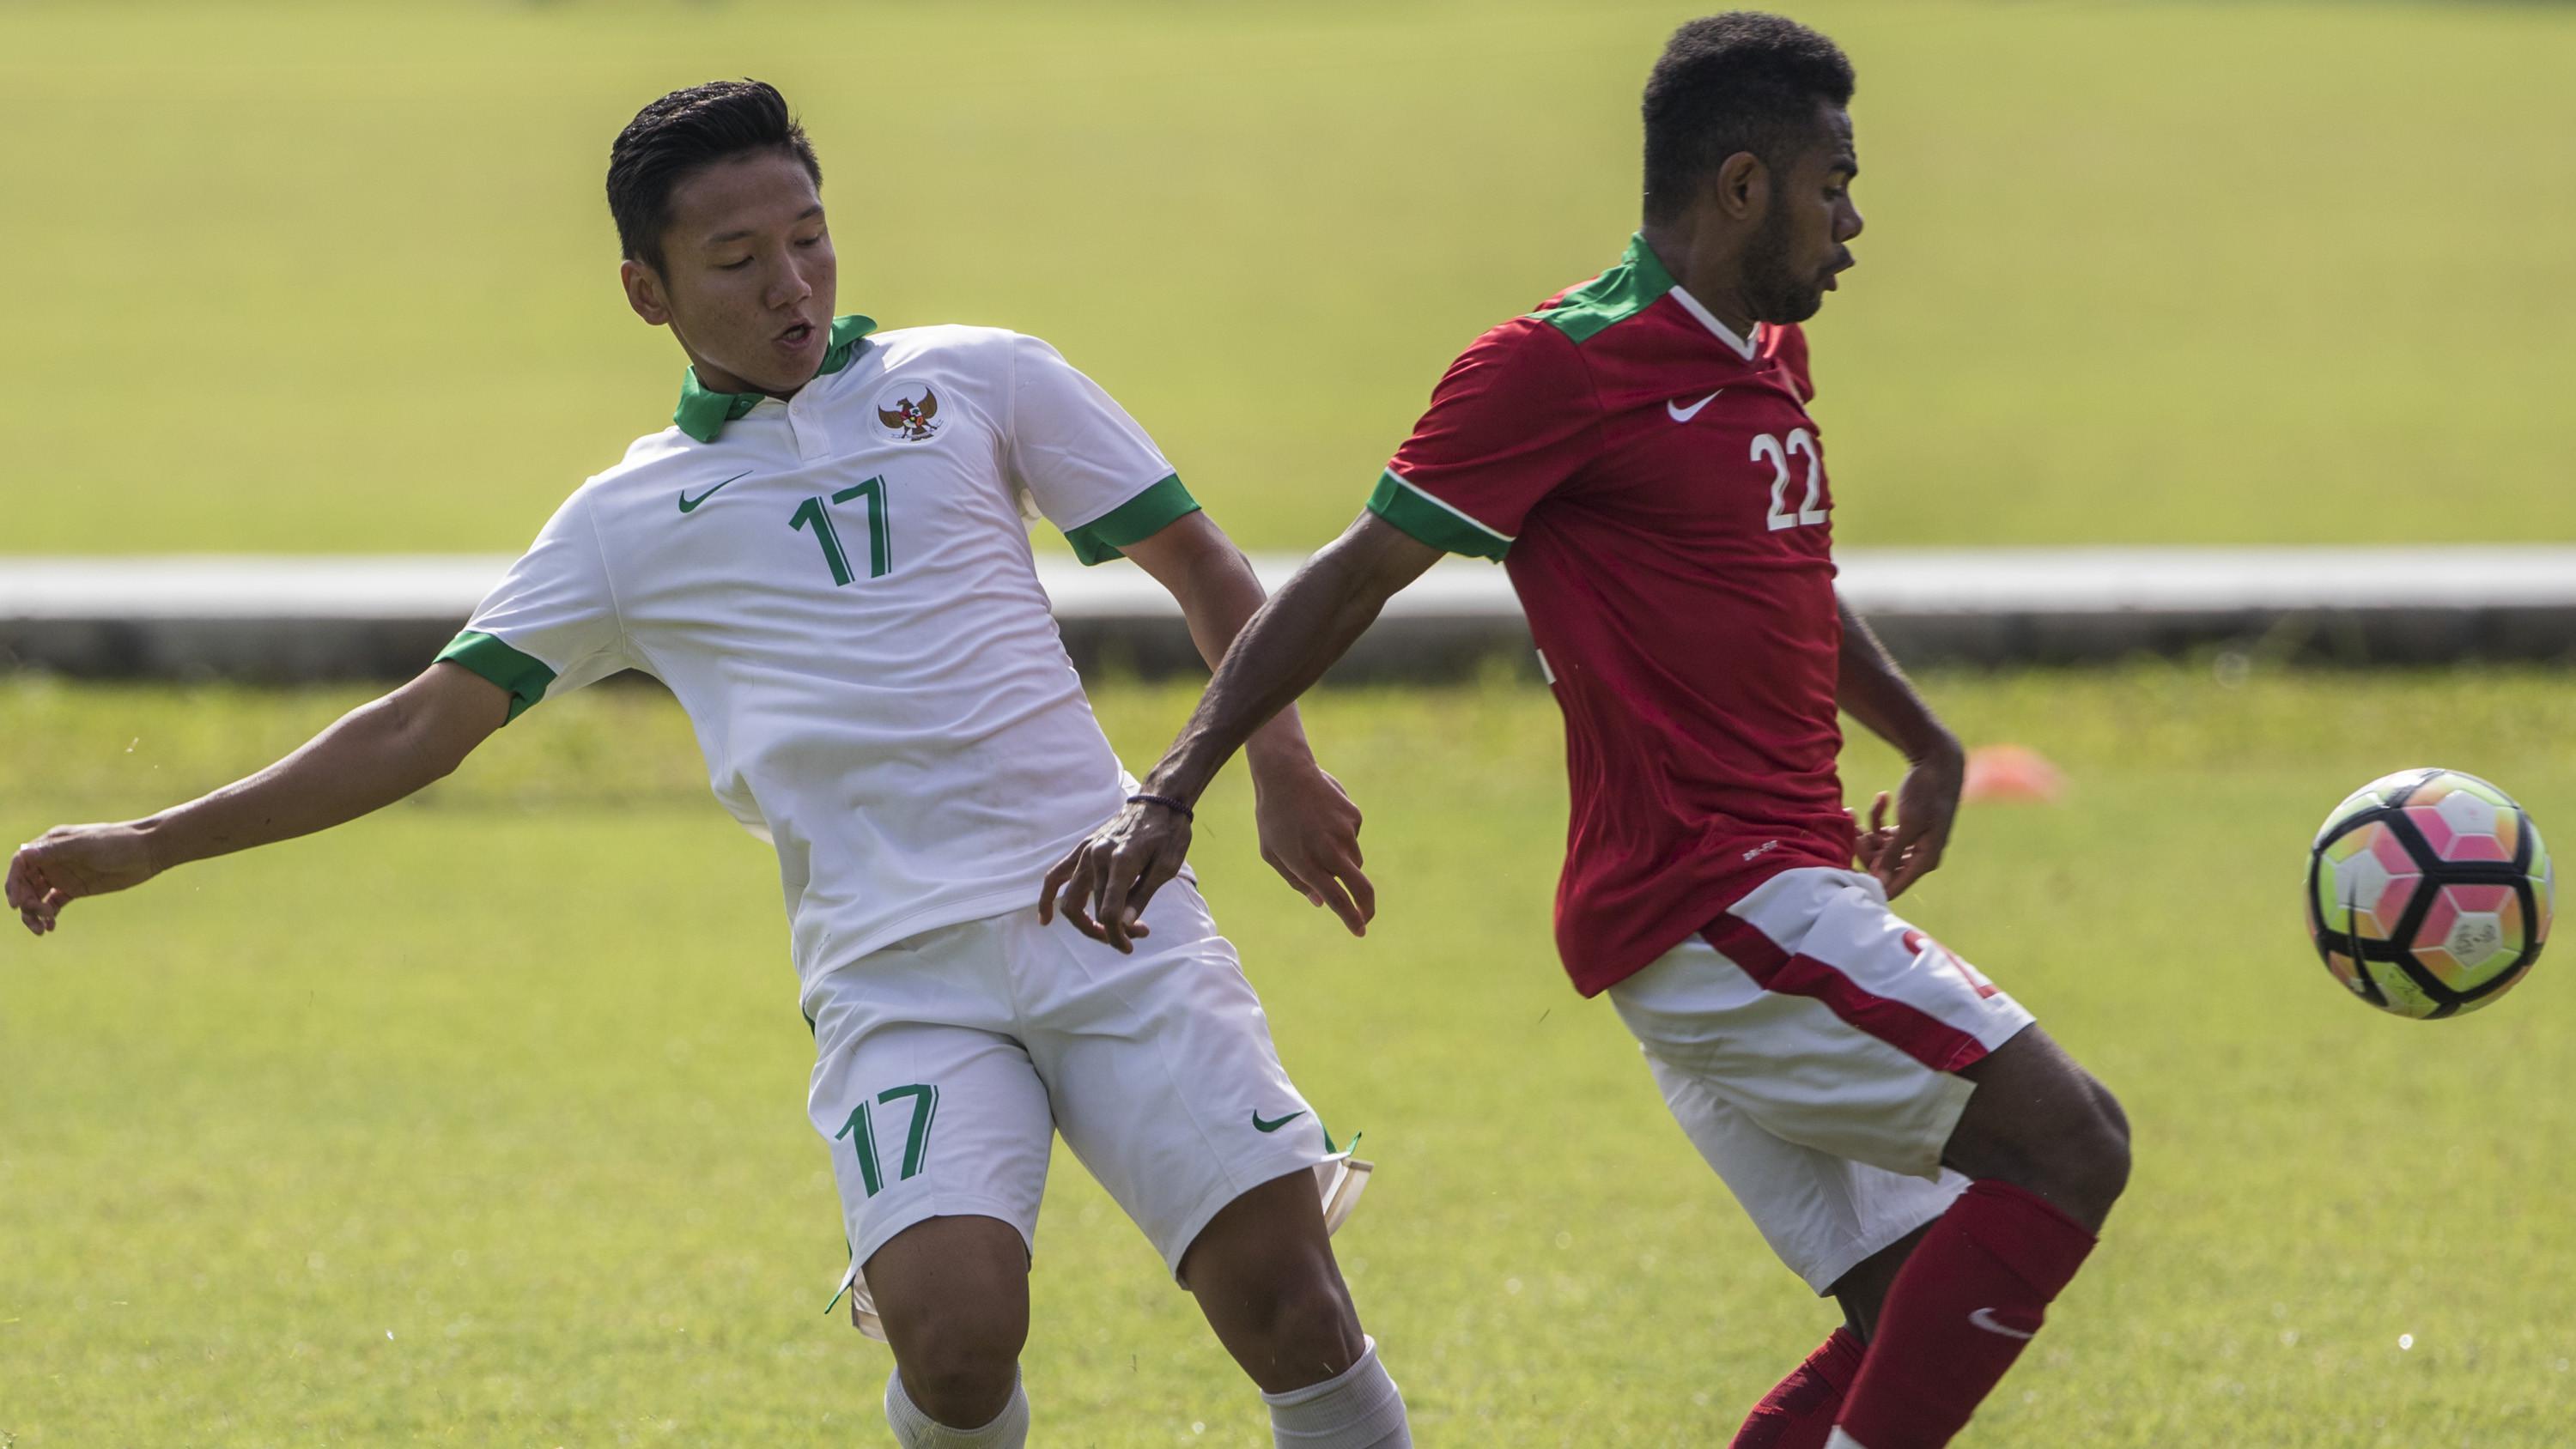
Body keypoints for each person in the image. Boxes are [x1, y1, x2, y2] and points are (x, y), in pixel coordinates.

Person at [7, 80, 1409, 1449]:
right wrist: (157, 840)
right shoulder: (624, 521)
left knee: (1293, 1312)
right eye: (737, 261)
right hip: (896, 978)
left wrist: (1276, 765)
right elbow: (421, 723)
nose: (790, 283)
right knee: (956, 1348)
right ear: (648, 292)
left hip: (1110, 914)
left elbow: (1205, 564)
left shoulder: (981, 377)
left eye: (809, 237)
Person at [1038, 15, 2129, 1448]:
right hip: (1720, 902)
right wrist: (1178, 783)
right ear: (1741, 186)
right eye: (1835, 186)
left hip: (1763, 903)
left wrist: (1924, 741)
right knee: (2073, 1144)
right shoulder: (1560, 366)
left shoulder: (1768, 352)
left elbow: (1780, 571)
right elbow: (1354, 575)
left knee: (1909, 1304)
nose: (1855, 224)